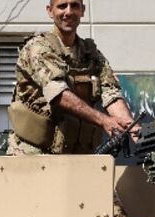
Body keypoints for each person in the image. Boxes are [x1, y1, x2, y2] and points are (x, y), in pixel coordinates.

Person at [7, 0, 134, 156]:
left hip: (77, 155)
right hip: (34, 155)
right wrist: (105, 121)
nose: (68, 12)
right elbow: (58, 93)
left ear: (82, 10)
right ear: (50, 11)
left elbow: (111, 92)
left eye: (74, 5)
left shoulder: (91, 54)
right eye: (62, 6)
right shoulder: (38, 48)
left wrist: (131, 127)